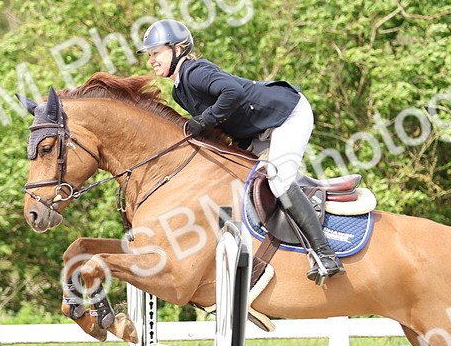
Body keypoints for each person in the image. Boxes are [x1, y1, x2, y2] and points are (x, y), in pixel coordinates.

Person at [137, 19, 343, 282]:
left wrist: (204, 120)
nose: (151, 60)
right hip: (256, 131)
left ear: (178, 49)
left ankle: (325, 253)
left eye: (156, 53)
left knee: (279, 180)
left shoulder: (195, 71)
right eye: (150, 55)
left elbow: (232, 93)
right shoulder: (180, 92)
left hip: (286, 114)